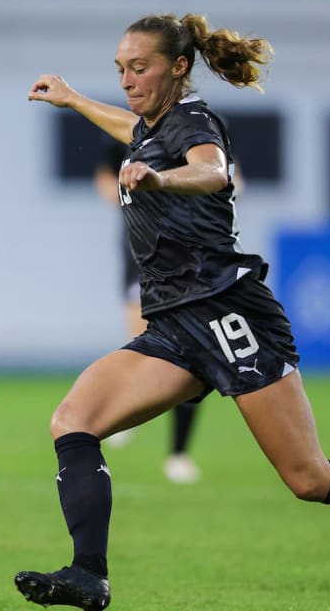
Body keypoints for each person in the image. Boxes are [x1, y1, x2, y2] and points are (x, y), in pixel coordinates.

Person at [16, 13, 330, 611]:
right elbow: (134, 130)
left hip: (228, 313)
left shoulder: (194, 121)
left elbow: (213, 170)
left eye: (140, 67)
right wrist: (75, 98)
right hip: (175, 324)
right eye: (121, 69)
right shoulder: (154, 127)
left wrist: (160, 181)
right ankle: (88, 574)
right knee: (73, 420)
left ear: (178, 67)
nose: (127, 80)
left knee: (308, 478)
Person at [93, 136, 201, 485]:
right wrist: (135, 190)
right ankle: (125, 413)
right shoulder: (125, 138)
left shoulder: (196, 132)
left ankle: (178, 454)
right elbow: (105, 184)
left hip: (188, 261)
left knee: (189, 358)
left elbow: (228, 177)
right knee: (144, 349)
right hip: (140, 257)